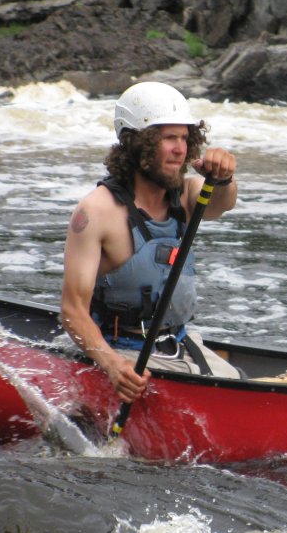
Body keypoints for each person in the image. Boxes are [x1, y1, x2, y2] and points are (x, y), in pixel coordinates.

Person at [60, 81, 240, 403]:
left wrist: (223, 178)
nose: (180, 149)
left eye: (185, 138)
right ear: (138, 143)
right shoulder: (96, 212)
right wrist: (112, 365)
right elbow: (73, 309)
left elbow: (222, 203)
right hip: (123, 354)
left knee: (240, 389)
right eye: (169, 138)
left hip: (178, 345)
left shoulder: (187, 195)